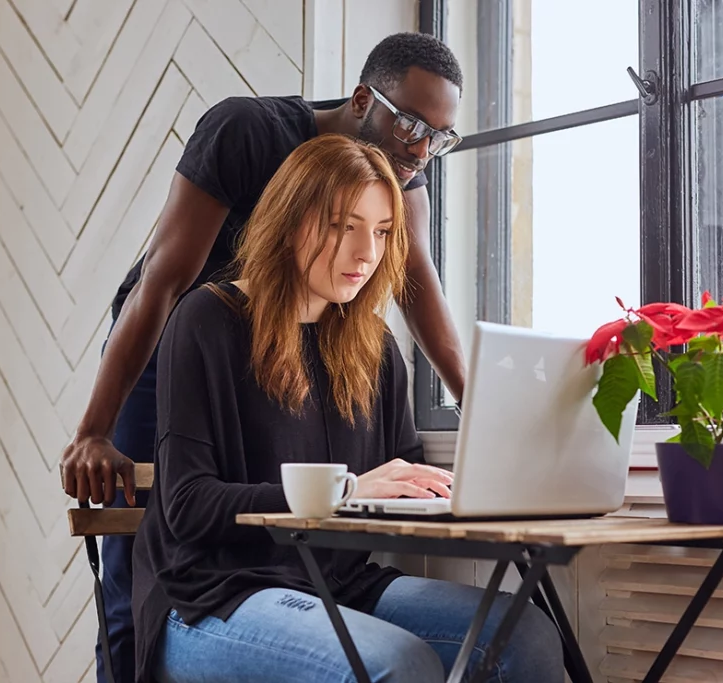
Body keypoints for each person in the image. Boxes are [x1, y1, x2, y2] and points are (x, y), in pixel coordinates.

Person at [59, 32, 472, 682]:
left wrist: (482, 413)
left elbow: (421, 295)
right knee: (142, 572)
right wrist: (94, 430)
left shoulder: (403, 180)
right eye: (412, 125)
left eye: (440, 137)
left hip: (304, 353)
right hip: (181, 341)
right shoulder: (249, 132)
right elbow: (162, 283)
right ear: (365, 99)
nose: (422, 148)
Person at [131, 133, 563, 683]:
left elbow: (404, 476)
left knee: (523, 636)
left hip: (340, 584)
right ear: (291, 222)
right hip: (212, 595)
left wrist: (481, 489)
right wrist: (350, 490)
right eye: (343, 226)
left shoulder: (375, 347)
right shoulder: (207, 321)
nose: (367, 253)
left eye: (382, 232)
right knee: (396, 663)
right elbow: (188, 506)